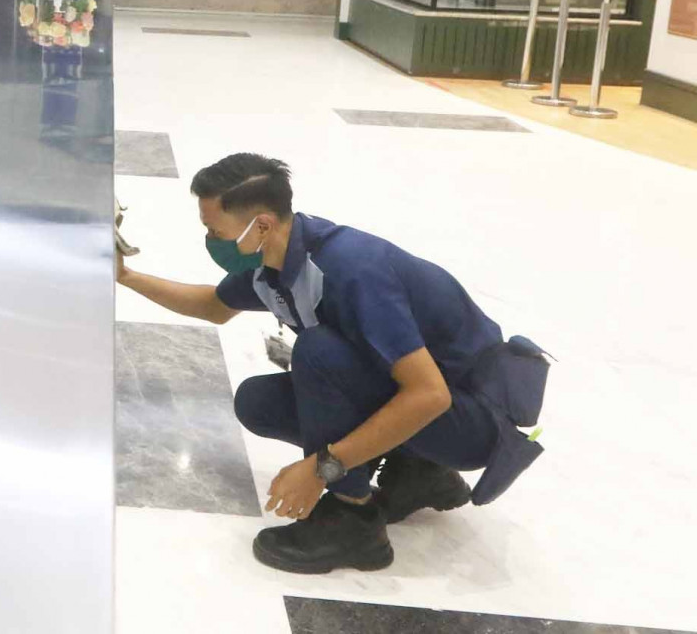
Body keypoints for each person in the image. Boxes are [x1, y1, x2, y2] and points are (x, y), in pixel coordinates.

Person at [117, 153, 548, 575]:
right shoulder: (273, 262)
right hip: (439, 404)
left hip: (472, 420)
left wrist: (322, 468)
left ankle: (352, 520)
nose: (211, 238)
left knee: (320, 352)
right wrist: (126, 276)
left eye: (214, 229)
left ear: (261, 224)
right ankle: (420, 470)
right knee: (258, 402)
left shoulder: (350, 270)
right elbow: (214, 305)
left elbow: (429, 394)